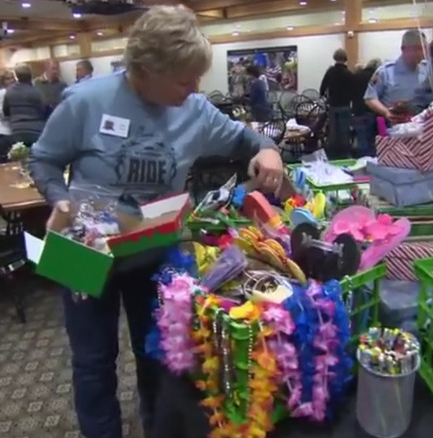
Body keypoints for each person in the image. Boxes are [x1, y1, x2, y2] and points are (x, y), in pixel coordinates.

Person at [28, 6, 284, 438]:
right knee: (92, 361)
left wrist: (268, 148)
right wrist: (58, 199)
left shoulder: (196, 110)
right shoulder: (86, 101)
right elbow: (44, 160)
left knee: (159, 355)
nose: (195, 88)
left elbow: (247, 139)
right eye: (184, 80)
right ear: (144, 70)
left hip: (152, 250)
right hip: (82, 245)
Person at [364, 30, 433, 123]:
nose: (422, 53)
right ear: (403, 49)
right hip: (395, 127)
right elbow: (370, 98)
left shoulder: (426, 70)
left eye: (424, 48)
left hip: (422, 126)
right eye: (417, 48)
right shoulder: (386, 71)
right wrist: (386, 112)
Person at [319, 48, 354, 159]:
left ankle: (332, 155)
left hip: (333, 105)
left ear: (335, 58)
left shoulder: (330, 72)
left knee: (333, 131)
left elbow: (322, 88)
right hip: (345, 105)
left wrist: (325, 97)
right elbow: (353, 90)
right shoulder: (349, 73)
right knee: (344, 131)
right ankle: (345, 154)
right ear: (345, 59)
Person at [4, 64, 47, 146]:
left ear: (17, 76)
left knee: (21, 155)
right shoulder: (35, 92)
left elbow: (6, 111)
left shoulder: (9, 91)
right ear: (30, 76)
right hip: (35, 129)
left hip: (17, 129)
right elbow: (43, 110)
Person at [352, 58, 380, 157]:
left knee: (361, 139)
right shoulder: (377, 77)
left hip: (358, 110)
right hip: (372, 111)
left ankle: (362, 162)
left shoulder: (356, 75)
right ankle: (372, 161)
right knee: (373, 141)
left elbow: (351, 93)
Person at [0, 70, 16, 137]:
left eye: (12, 78)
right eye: (8, 79)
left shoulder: (16, 92)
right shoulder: (0, 94)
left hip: (16, 129)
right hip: (5, 131)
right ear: (2, 81)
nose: (12, 80)